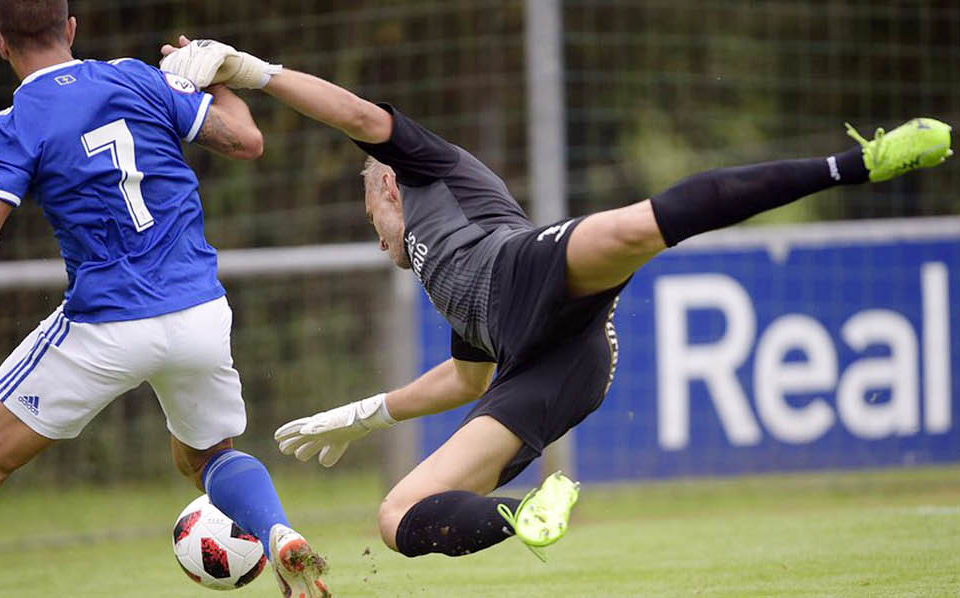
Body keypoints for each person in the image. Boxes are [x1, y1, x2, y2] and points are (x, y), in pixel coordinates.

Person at [160, 38, 953, 564]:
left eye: (370, 217)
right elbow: (469, 380)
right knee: (399, 518)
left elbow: (361, 118)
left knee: (646, 225)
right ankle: (525, 513)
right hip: (558, 367)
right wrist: (369, 414)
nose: (375, 239)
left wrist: (248, 72)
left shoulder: (435, 172)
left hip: (530, 274)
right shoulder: (439, 284)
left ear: (388, 188)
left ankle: (858, 164)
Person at [0, 5, 329, 597]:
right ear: (70, 29)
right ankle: (278, 530)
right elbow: (247, 141)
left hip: (106, 327)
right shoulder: (137, 77)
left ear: (2, 45)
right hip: (199, 313)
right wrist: (217, 75)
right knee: (204, 460)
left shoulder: (19, 119)